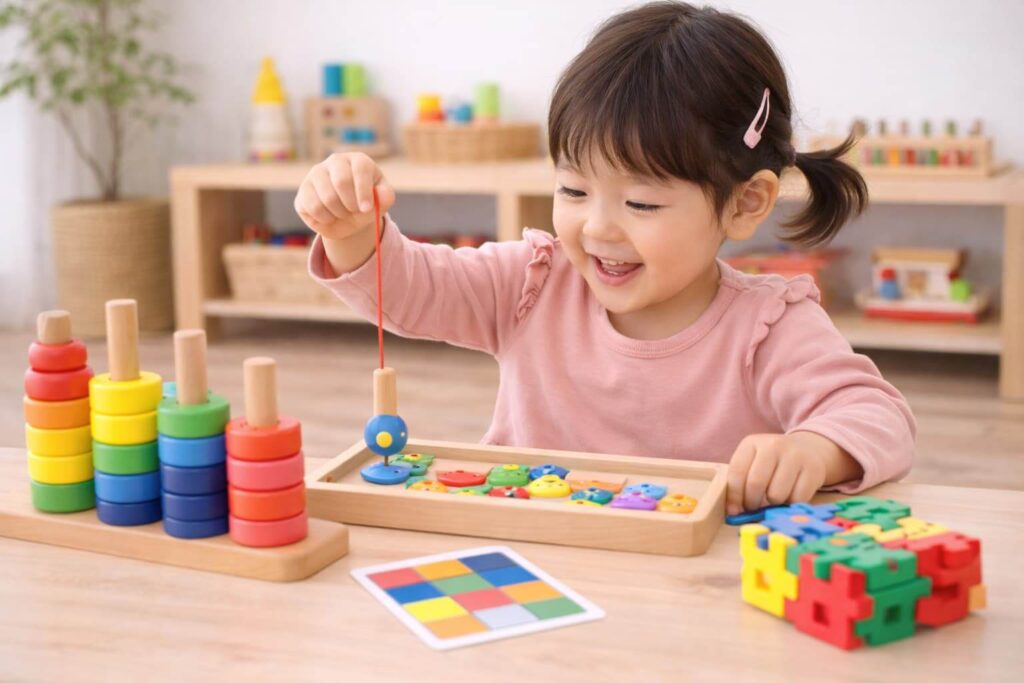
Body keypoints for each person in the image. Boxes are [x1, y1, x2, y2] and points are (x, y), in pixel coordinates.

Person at [296, 1, 915, 514]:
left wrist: (813, 447)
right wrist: (352, 230)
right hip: (531, 559)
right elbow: (410, 288)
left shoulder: (771, 327)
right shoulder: (531, 284)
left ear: (745, 203)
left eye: (642, 203)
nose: (597, 227)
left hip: (692, 586)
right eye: (573, 190)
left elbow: (874, 414)